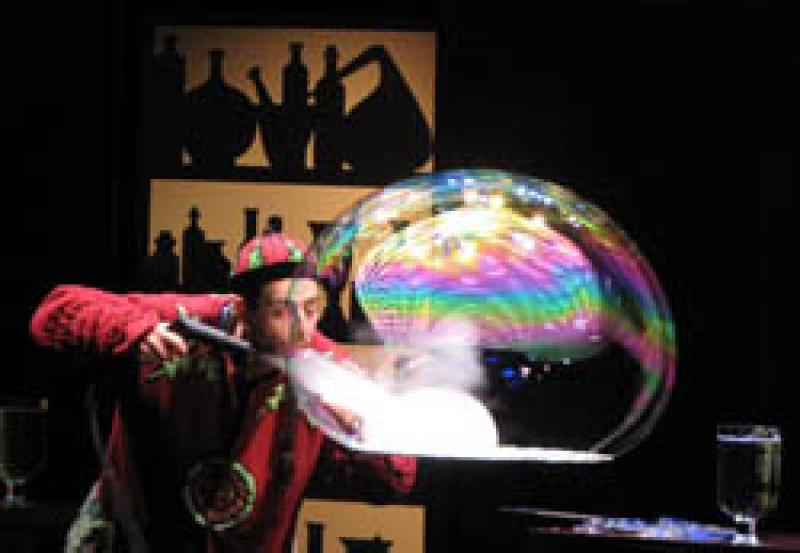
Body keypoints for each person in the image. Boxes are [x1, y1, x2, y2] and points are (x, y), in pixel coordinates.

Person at [29, 232, 416, 552]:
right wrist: (131, 331)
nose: (303, 329)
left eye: (312, 309)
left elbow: (396, 480)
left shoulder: (327, 369)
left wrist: (361, 432)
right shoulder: (186, 321)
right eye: (281, 311)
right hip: (132, 535)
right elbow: (53, 313)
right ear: (244, 311)